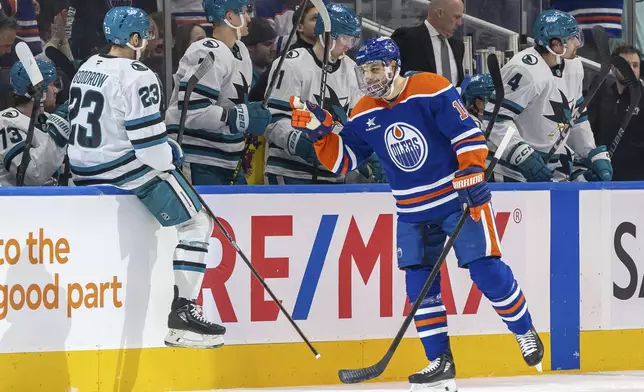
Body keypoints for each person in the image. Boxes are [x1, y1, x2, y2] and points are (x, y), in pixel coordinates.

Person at [287, 36, 543, 391]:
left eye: (375, 68)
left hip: (456, 200)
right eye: (364, 70)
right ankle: (439, 361)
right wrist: (320, 133)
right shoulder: (364, 110)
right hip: (411, 211)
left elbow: (467, 133)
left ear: (393, 66)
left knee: (486, 271)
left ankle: (523, 329)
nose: (369, 77)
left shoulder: (430, 88)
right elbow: (342, 160)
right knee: (420, 289)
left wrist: (472, 171)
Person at [67, 6, 225, 349]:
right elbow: (152, 153)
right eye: (147, 35)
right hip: (121, 171)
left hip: (81, 171)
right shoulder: (138, 75)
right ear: (134, 38)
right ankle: (184, 316)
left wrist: (163, 146)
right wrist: (172, 154)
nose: (150, 42)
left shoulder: (86, 67)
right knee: (198, 222)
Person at [483, 9, 612, 183]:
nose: (577, 43)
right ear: (555, 45)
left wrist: (589, 151)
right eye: (572, 38)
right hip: (509, 171)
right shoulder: (525, 70)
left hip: (551, 169)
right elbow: (495, 120)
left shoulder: (575, 66)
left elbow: (575, 116)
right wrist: (521, 155)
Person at [165, 0, 272, 185]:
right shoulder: (207, 50)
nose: (249, 18)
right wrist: (237, 117)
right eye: (245, 12)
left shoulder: (241, 51)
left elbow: (235, 105)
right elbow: (191, 110)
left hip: (230, 159)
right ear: (229, 16)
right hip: (199, 159)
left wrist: (251, 112)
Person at [260, 3, 363, 185]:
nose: (348, 45)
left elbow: (355, 122)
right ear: (326, 35)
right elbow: (273, 119)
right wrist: (298, 142)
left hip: (334, 174)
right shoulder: (293, 63)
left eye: (352, 40)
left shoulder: (352, 69)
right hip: (290, 172)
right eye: (344, 38)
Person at [0, 59, 68, 186]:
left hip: (48, 201)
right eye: (52, 85)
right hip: (14, 203)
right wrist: (58, 133)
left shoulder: (47, 119)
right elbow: (31, 175)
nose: (56, 90)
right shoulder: (6, 124)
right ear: (35, 89)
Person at [589, 45, 644, 181]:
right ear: (613, 68)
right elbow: (589, 129)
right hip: (604, 175)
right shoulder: (600, 91)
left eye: (635, 65)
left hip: (637, 179)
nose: (631, 69)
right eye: (625, 65)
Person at [391, 0, 465, 85]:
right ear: (440, 13)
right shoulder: (406, 39)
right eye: (456, 17)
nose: (460, 23)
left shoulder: (458, 46)